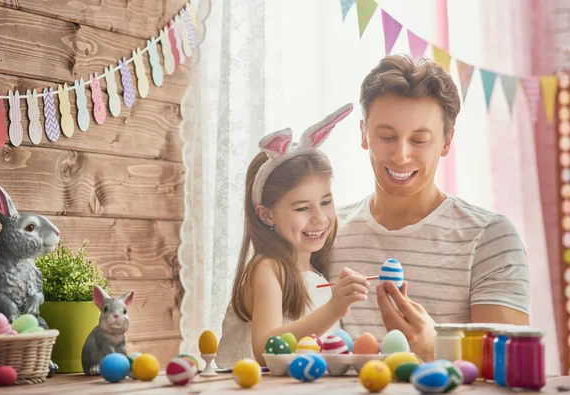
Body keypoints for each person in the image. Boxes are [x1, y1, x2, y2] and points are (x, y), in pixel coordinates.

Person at [329, 55, 530, 362]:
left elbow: (511, 366)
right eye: (387, 137)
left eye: (419, 140)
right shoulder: (326, 232)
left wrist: (436, 349)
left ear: (447, 141)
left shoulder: (489, 238)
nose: (401, 155)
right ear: (363, 134)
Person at [216, 103, 370, 367]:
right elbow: (265, 350)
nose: (319, 218)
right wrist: (333, 308)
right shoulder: (268, 269)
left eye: (325, 202)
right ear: (266, 215)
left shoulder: (316, 273)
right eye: (302, 208)